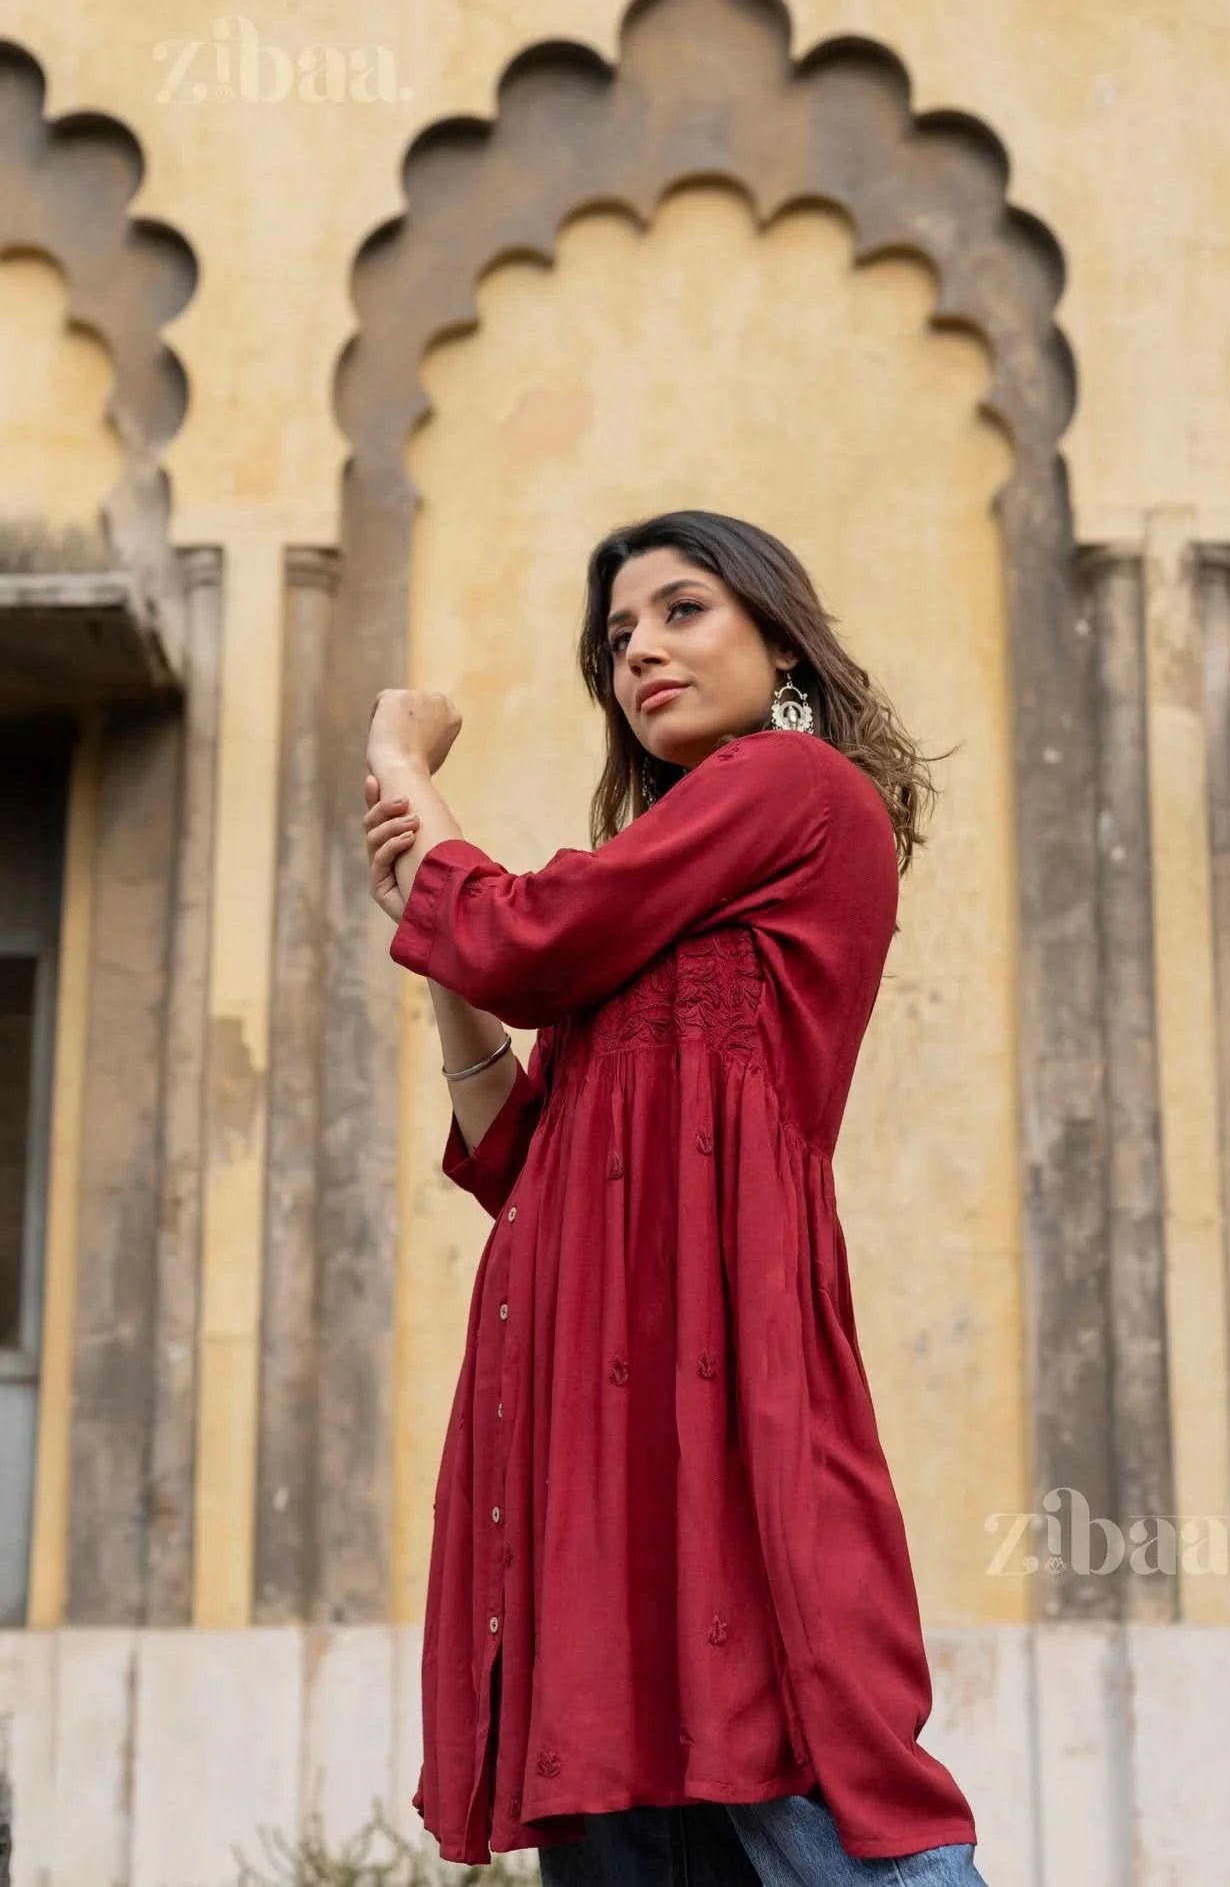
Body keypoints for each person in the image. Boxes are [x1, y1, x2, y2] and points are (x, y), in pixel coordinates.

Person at [363, 509, 988, 1886]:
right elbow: (522, 1154)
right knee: (626, 1808)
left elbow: (526, 930)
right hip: (593, 1433)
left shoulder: (795, 785)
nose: (638, 645)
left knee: (816, 1765)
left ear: (780, 643)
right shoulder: (664, 908)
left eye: (681, 609)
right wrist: (449, 957)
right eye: (618, 635)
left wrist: (408, 771)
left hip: (729, 1405)